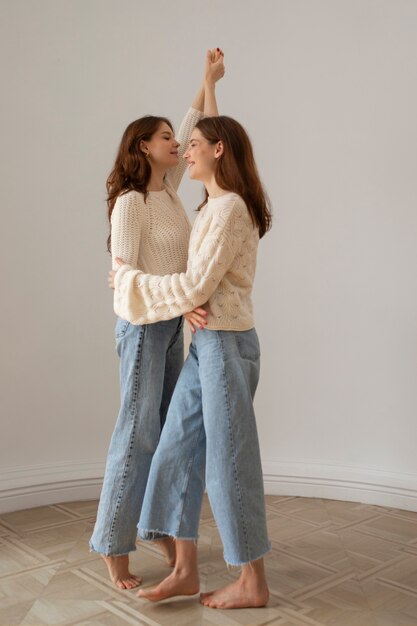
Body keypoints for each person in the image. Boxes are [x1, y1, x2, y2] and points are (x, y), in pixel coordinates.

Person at [109, 114, 272, 609]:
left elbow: (197, 286)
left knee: (228, 462)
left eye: (195, 143)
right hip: (206, 344)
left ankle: (252, 581)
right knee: (174, 451)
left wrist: (128, 280)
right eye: (179, 141)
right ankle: (184, 569)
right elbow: (212, 130)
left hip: (226, 346)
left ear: (218, 151)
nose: (185, 150)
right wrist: (207, 83)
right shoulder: (212, 205)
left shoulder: (229, 211)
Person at [90, 49, 225, 590]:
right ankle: (111, 546)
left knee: (168, 436)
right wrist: (178, 301)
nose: (179, 143)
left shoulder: (167, 195)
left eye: (179, 138)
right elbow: (123, 282)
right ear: (143, 147)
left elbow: (198, 125)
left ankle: (155, 527)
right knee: (137, 436)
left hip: (170, 329)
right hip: (143, 330)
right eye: (167, 137)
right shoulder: (130, 204)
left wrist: (207, 79)